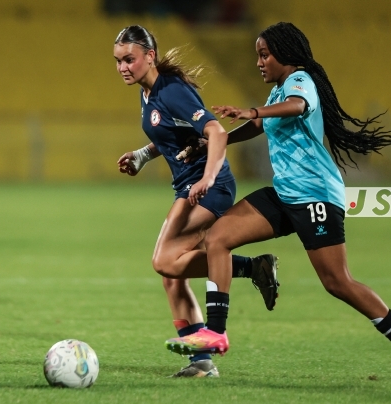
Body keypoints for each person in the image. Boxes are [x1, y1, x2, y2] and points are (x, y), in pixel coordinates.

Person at [164, 22, 391, 384]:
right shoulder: (277, 91)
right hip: (285, 192)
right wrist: (216, 141)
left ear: (285, 54)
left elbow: (298, 106)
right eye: (258, 55)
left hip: (315, 195)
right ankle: (216, 332)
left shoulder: (300, 80)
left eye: (265, 55)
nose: (259, 62)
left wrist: (252, 111)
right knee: (219, 237)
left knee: (337, 281)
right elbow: (260, 126)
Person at [113, 25, 280, 378]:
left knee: (164, 261)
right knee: (172, 277)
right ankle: (201, 362)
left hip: (207, 187)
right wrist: (143, 155)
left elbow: (215, 131)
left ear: (150, 56)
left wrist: (207, 177)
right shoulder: (148, 92)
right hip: (189, 186)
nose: (123, 67)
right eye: (118, 61)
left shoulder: (172, 90)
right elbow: (171, 133)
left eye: (129, 59)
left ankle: (253, 268)